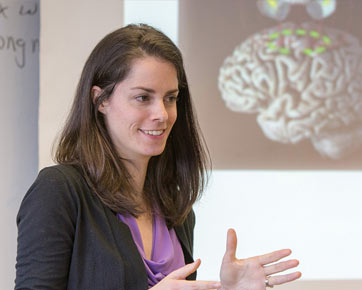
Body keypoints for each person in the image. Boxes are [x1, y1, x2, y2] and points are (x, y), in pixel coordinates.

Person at [15, 24, 301, 290]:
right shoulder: (59, 191)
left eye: (170, 98)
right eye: (143, 98)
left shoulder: (176, 209)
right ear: (100, 100)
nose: (162, 115)